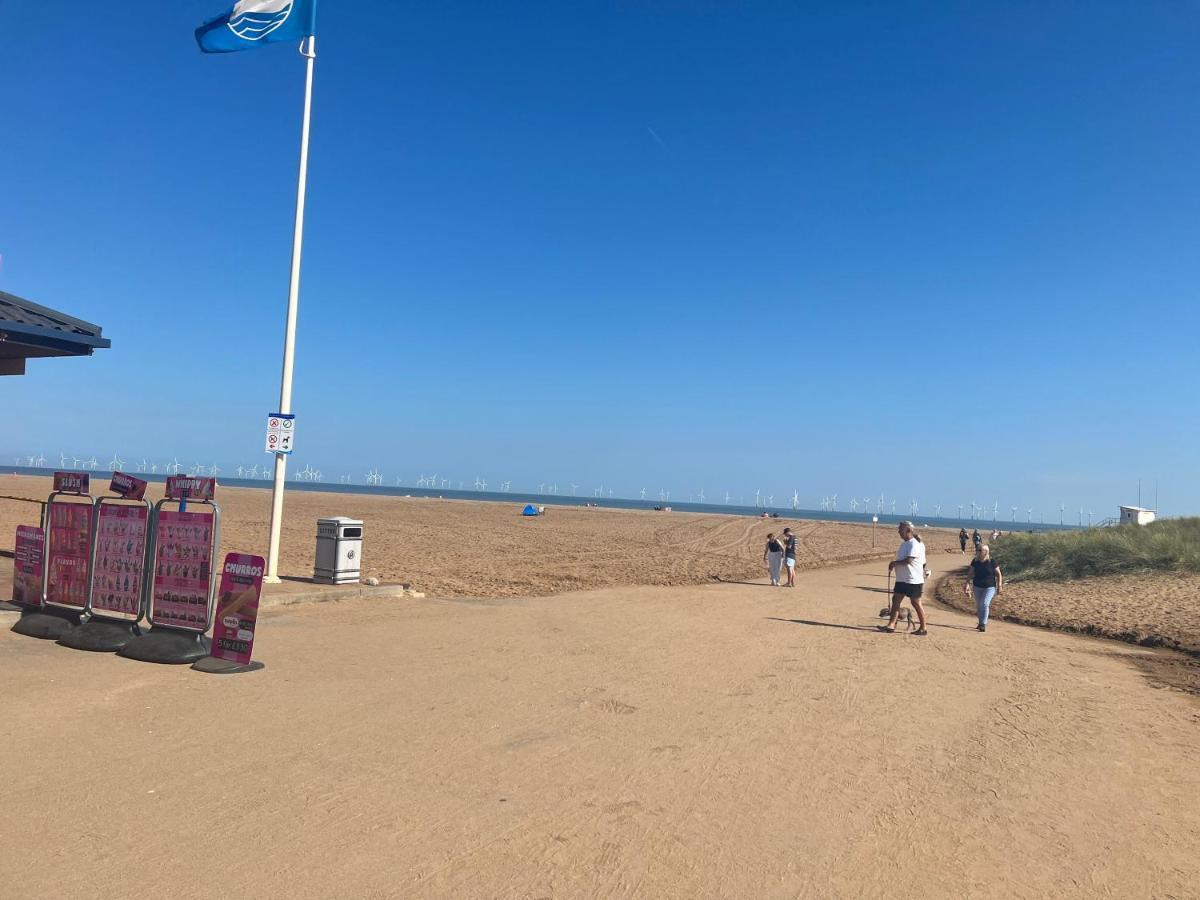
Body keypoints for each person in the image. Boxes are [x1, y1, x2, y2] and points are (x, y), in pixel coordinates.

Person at [880, 521, 928, 635]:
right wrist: (894, 565)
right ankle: (891, 624)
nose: (898, 531)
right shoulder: (904, 544)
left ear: (908, 531)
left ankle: (923, 628)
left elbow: (909, 560)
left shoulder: (914, 544)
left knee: (915, 602)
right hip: (901, 579)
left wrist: (894, 563)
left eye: (900, 529)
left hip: (913, 579)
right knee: (896, 600)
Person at [963, 544, 1002, 632]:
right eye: (978, 550)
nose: (978, 551)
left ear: (986, 552)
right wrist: (966, 584)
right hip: (977, 586)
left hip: (990, 587)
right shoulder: (975, 561)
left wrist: (999, 586)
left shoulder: (992, 561)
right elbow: (970, 574)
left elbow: (999, 574)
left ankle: (983, 624)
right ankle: (980, 623)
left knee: (984, 603)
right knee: (979, 605)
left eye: (980, 550)